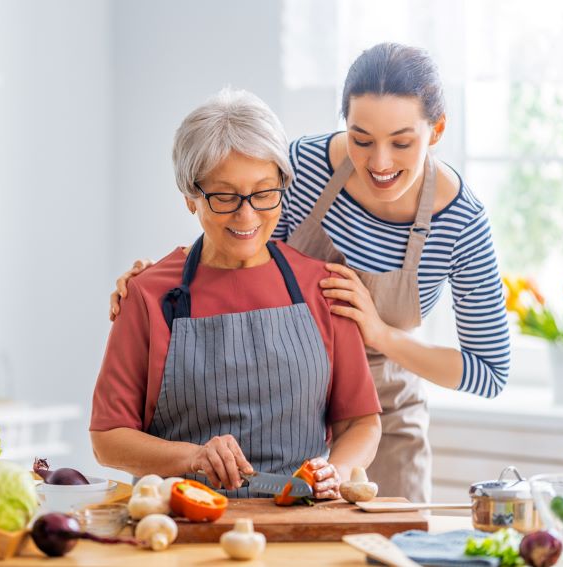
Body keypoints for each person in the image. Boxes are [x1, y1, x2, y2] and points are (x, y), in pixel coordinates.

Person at [109, 43, 511, 503]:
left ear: (436, 130)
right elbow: (238, 230)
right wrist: (153, 280)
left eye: (401, 142)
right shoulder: (302, 169)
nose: (379, 162)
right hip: (290, 399)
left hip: (384, 413)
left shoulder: (461, 222)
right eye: (361, 139)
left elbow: (489, 371)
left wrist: (379, 334)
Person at [90, 88, 382, 499]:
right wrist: (192, 458)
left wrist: (335, 471)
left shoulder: (322, 287)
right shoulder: (147, 294)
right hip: (182, 526)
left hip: (300, 521)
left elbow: (362, 422)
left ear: (284, 184)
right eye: (225, 197)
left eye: (264, 193)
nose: (246, 216)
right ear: (191, 197)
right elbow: (108, 438)